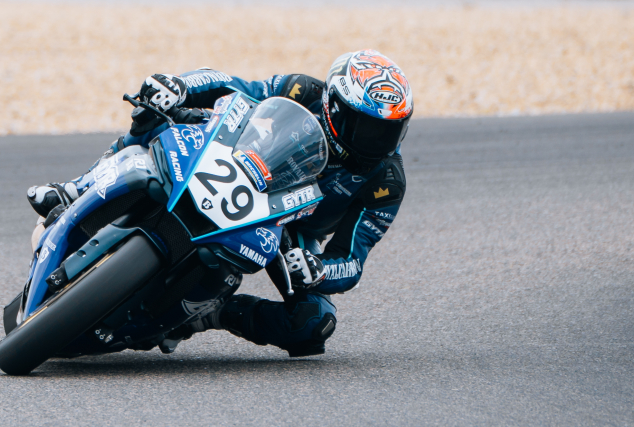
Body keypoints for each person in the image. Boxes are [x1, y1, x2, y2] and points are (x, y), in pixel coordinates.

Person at [27, 50, 412, 358]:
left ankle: (210, 313)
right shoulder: (300, 91)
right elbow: (230, 85)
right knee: (155, 117)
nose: (380, 143)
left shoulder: (386, 182)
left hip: (293, 229)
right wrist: (178, 86)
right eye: (370, 129)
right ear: (336, 107)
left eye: (391, 131)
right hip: (244, 168)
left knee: (313, 324)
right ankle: (77, 188)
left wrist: (318, 270)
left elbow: (352, 259)